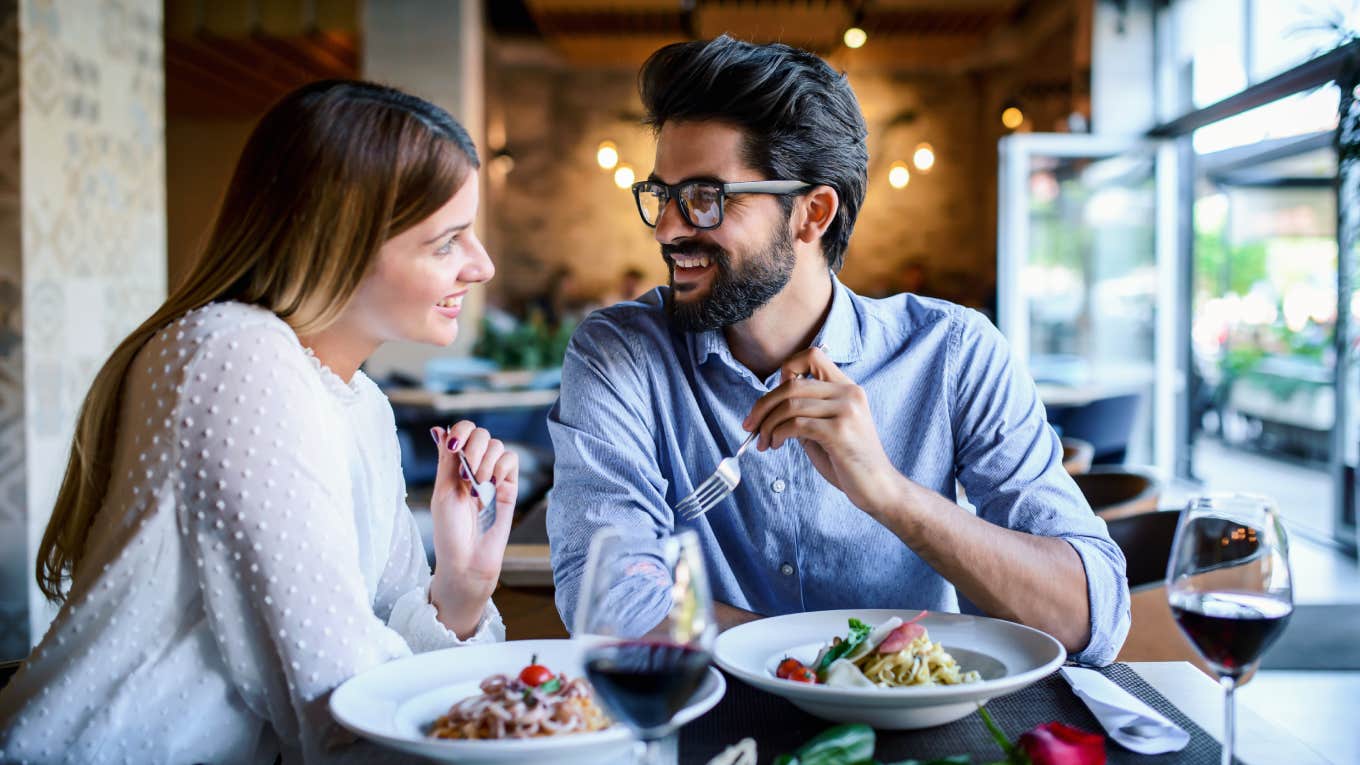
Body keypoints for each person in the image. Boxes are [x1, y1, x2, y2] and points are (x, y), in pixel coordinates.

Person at [546, 36, 1129, 665]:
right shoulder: (619, 354)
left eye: (706, 198)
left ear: (812, 213)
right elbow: (605, 600)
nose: (667, 228)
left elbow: (1088, 622)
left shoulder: (955, 352)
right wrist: (828, 664)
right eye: (663, 195)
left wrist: (888, 492)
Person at [0, 81, 519, 763]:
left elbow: (385, 669)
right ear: (342, 241)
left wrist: (461, 589)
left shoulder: (361, 404)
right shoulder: (234, 355)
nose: (481, 266)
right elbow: (343, 702)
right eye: (448, 240)